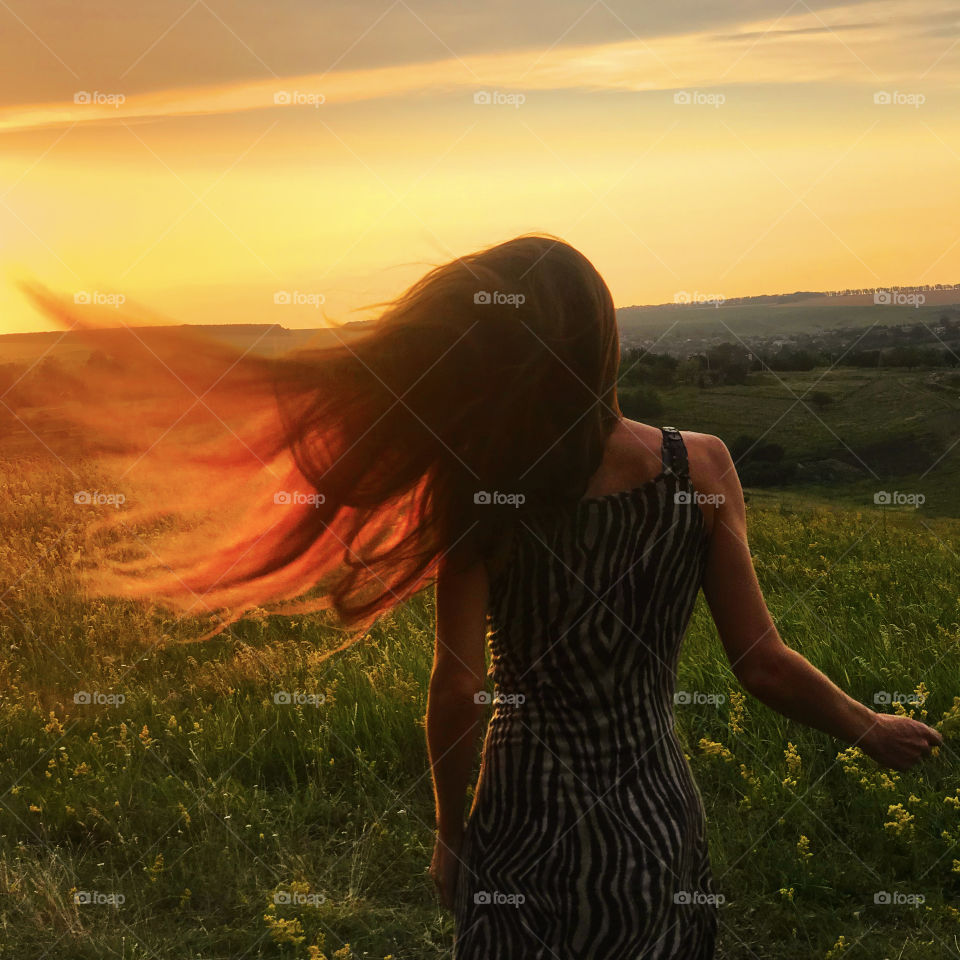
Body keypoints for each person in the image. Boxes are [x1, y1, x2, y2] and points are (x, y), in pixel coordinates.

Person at [26, 234, 943, 958]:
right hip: (655, 817)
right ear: (602, 338)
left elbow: (460, 693)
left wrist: (450, 838)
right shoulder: (698, 466)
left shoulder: (481, 486)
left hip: (525, 817)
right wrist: (870, 727)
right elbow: (760, 662)